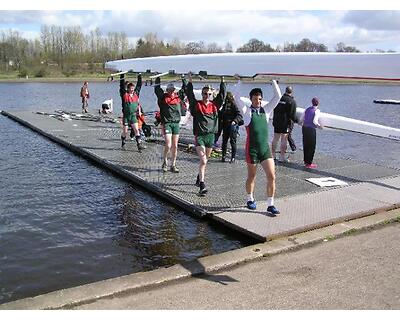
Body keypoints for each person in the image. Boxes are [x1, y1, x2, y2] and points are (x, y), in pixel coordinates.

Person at [233, 78, 282, 215]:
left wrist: (272, 81)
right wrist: (240, 80)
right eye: (255, 99)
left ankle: (270, 204)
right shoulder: (247, 112)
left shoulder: (266, 111)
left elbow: (277, 96)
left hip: (265, 150)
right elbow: (236, 96)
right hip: (252, 150)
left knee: (272, 176)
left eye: (260, 99)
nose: (258, 101)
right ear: (251, 99)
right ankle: (250, 199)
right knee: (252, 176)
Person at [186, 73, 226, 195]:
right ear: (202, 94)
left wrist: (222, 79)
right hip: (200, 136)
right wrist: (190, 81)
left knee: (205, 160)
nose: (206, 96)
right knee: (203, 160)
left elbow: (222, 95)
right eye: (204, 94)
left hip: (211, 136)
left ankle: (199, 178)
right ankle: (202, 185)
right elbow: (190, 95)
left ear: (211, 95)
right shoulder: (197, 105)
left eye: (209, 94)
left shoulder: (215, 105)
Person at [154, 76, 187, 173]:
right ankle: (165, 162)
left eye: (173, 90)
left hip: (176, 123)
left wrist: (183, 78)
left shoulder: (178, 97)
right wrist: (158, 77)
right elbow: (157, 89)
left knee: (175, 146)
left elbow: (185, 88)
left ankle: (173, 164)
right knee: (168, 144)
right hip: (167, 123)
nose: (171, 91)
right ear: (167, 90)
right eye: (169, 90)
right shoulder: (163, 97)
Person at [271, 86, 298, 162]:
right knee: (284, 139)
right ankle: (282, 157)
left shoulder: (278, 99)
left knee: (275, 138)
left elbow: (274, 109)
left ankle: (273, 155)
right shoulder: (291, 101)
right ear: (291, 92)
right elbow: (292, 115)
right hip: (285, 123)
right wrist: (298, 121)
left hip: (276, 121)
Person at [119, 73, 146, 151]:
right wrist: (122, 75)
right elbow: (121, 85)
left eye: (133, 89)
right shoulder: (124, 94)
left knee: (136, 130)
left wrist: (139, 76)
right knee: (125, 131)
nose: (132, 90)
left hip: (133, 116)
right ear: (128, 88)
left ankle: (139, 145)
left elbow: (139, 85)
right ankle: (123, 143)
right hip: (126, 116)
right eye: (131, 89)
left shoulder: (136, 94)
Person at [219, 91, 243, 163]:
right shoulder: (224, 105)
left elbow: (239, 115)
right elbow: (222, 114)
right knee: (224, 141)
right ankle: (223, 156)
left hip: (232, 126)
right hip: (225, 125)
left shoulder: (233, 104)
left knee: (232, 141)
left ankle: (233, 157)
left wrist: (235, 121)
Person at [300, 97, 323, 169]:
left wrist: (301, 123)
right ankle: (309, 163)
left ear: (312, 102)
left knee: (306, 144)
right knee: (312, 146)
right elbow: (315, 121)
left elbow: (301, 119)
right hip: (311, 129)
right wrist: (320, 126)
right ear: (318, 103)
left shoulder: (307, 109)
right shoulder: (317, 111)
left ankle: (305, 161)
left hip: (304, 128)